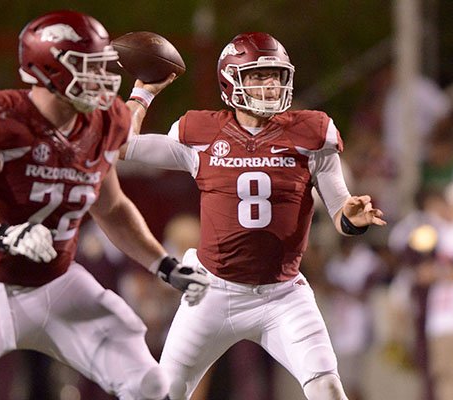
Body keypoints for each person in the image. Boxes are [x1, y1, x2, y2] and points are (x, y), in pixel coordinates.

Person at [0, 10, 210, 400]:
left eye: (103, 66)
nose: (103, 79)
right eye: (89, 68)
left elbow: (113, 208)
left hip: (55, 281)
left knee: (148, 382)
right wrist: (2, 235)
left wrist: (163, 265)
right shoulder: (2, 119)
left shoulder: (104, 122)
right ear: (50, 70)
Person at [120, 32, 387, 400]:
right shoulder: (202, 134)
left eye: (275, 75)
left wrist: (352, 217)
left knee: (328, 389)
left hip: (283, 295)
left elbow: (341, 209)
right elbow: (122, 145)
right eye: (258, 76)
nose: (270, 84)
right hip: (213, 290)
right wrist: (143, 92)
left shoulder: (312, 134)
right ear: (231, 79)